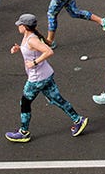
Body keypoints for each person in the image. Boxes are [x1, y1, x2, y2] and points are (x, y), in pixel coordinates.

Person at [5, 13, 88, 142]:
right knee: (57, 99)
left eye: (19, 25)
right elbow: (32, 50)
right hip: (46, 75)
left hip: (37, 79)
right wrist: (19, 48)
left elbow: (48, 51)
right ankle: (78, 120)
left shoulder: (32, 39)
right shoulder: (30, 37)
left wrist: (34, 63)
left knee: (25, 103)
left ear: (25, 26)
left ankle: (24, 132)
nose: (18, 27)